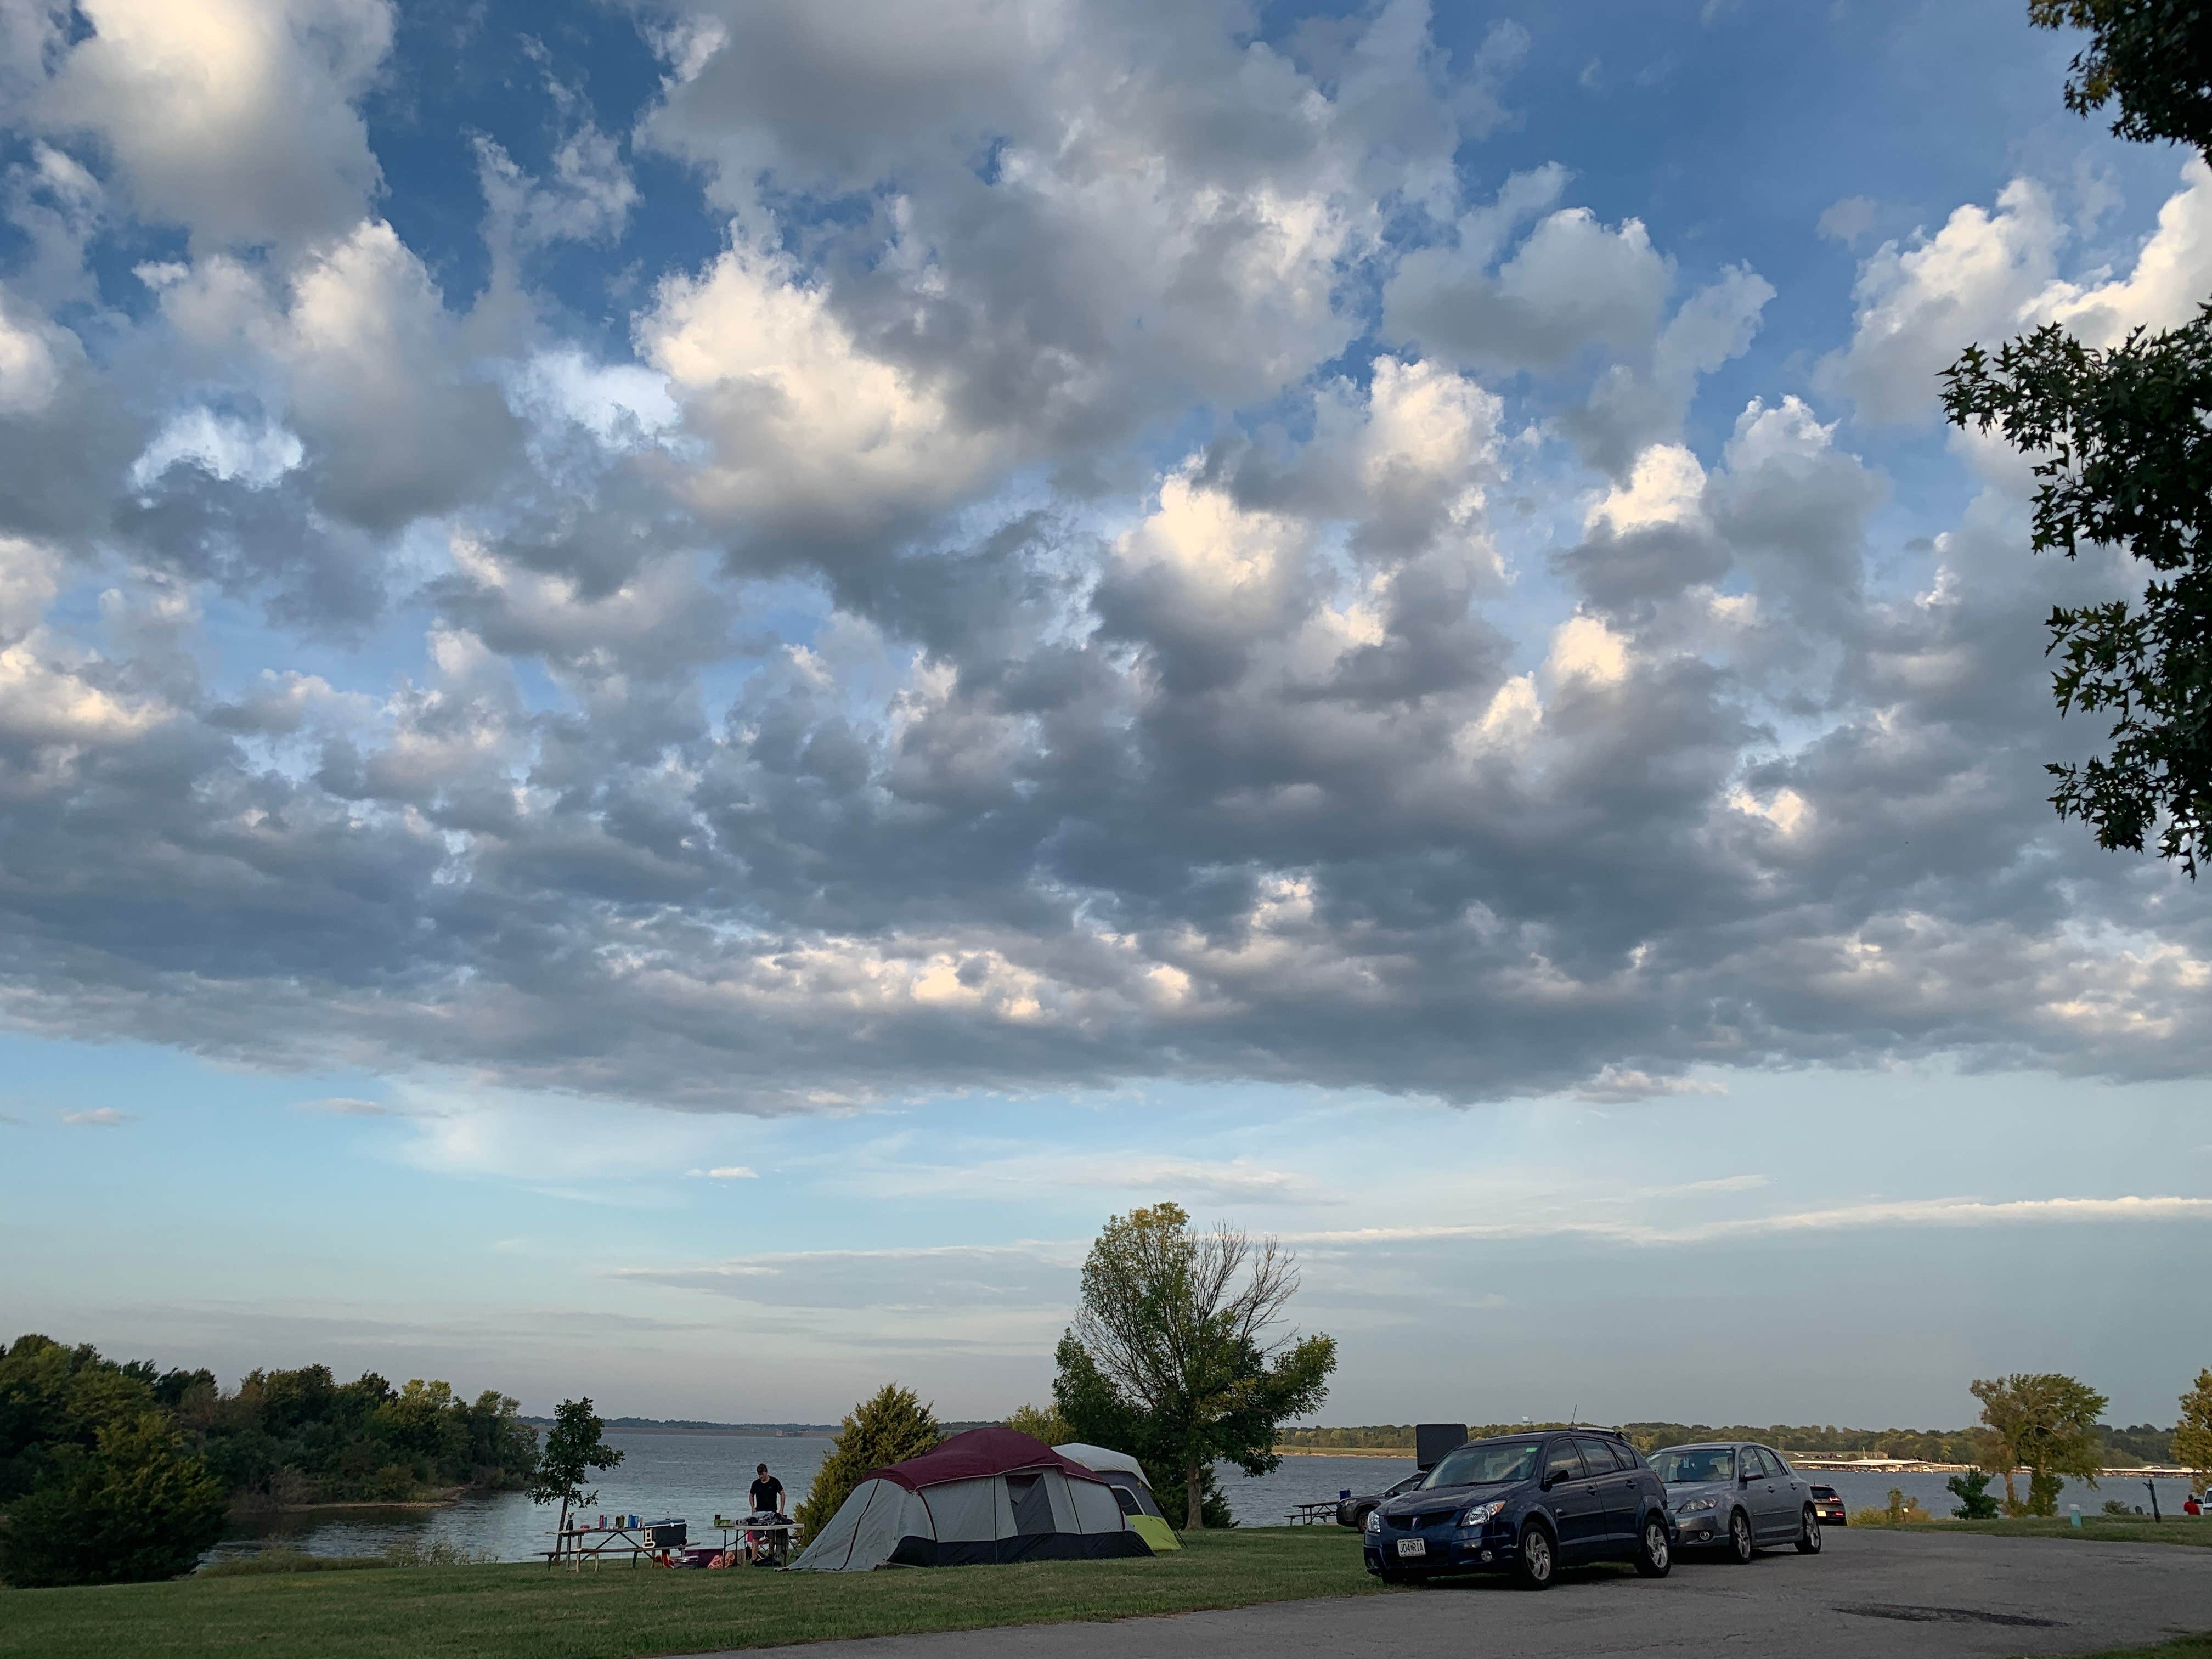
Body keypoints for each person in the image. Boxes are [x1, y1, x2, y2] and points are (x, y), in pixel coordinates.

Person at [744, 1463, 787, 1564]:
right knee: (756, 1537)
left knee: (771, 1536)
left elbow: (782, 1493)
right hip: (759, 1514)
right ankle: (754, 1560)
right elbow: (751, 1495)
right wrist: (753, 1507)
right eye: (759, 1475)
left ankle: (771, 1555)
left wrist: (781, 1510)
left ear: (766, 1472)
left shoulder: (774, 1481)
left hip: (771, 1513)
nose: (761, 1477)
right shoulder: (756, 1484)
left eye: (762, 1474)